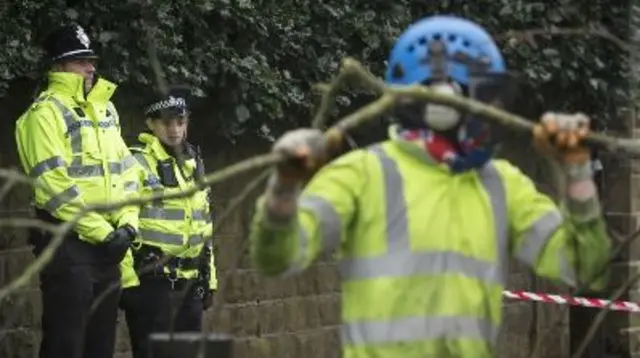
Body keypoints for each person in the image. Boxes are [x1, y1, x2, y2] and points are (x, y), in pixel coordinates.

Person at [248, 15, 612, 358]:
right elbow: (277, 259)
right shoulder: (362, 174)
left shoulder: (501, 184)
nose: (492, 112)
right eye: (484, 98)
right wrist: (284, 187)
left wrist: (577, 170)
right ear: (443, 101)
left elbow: (586, 269)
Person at [14, 23, 140, 358]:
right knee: (65, 344)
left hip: (110, 245)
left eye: (91, 59)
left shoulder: (106, 110)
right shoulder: (44, 113)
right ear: (58, 66)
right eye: (79, 60)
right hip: (69, 244)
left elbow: (128, 172)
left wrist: (128, 224)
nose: (90, 67)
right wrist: (103, 233)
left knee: (101, 345)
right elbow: (52, 185)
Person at [118, 85, 217, 358]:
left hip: (190, 285)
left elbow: (203, 225)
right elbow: (122, 220)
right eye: (166, 122)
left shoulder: (193, 162)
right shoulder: (136, 162)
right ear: (151, 123)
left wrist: (209, 280)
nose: (174, 129)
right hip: (152, 285)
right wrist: (128, 283)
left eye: (180, 121)